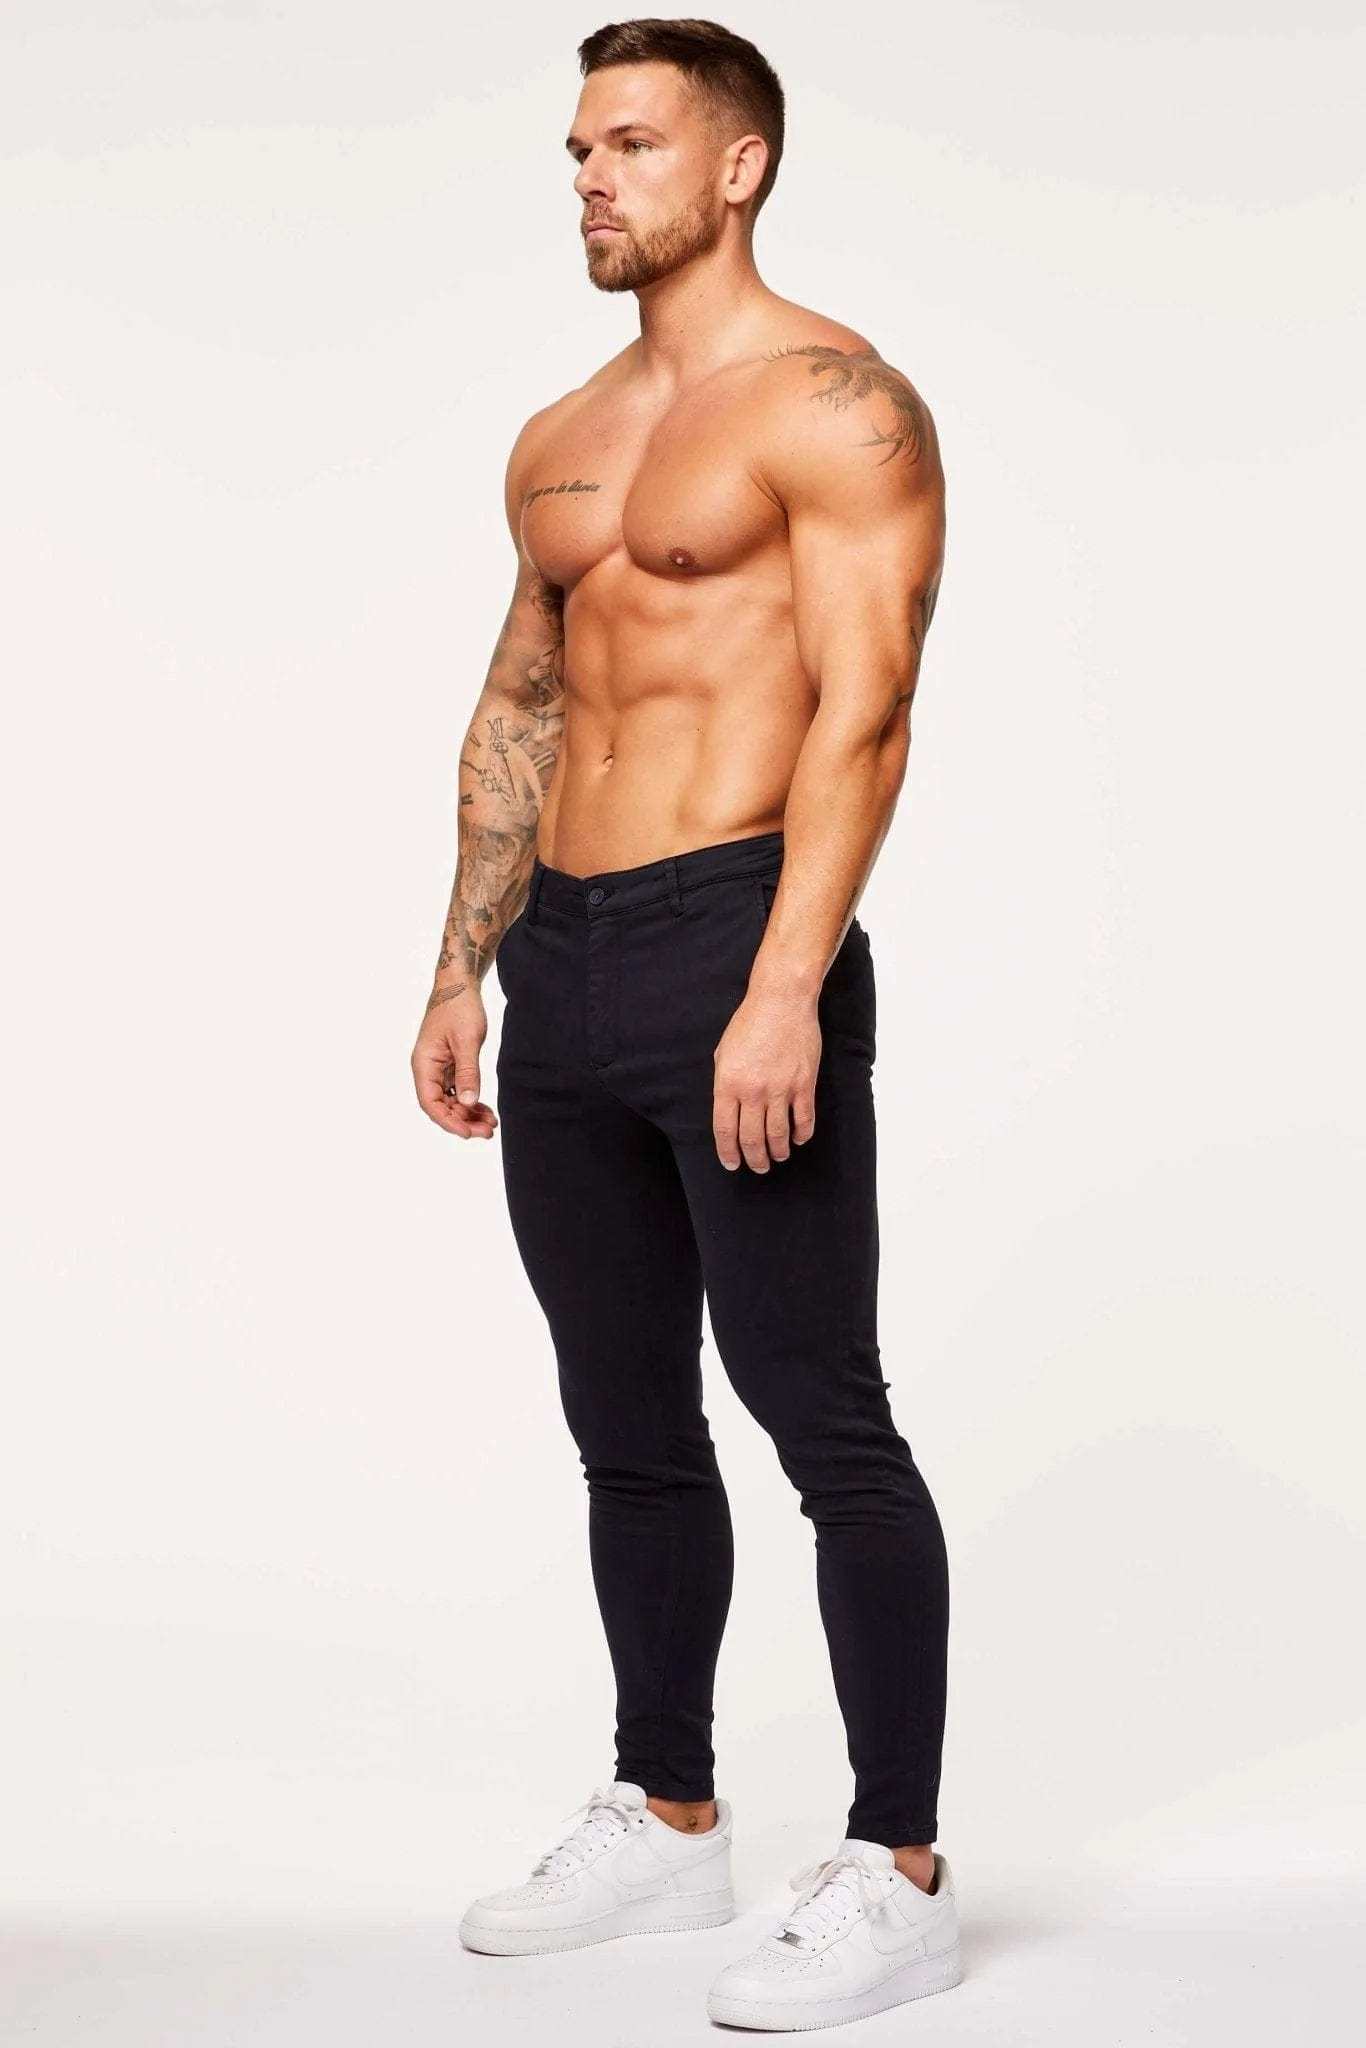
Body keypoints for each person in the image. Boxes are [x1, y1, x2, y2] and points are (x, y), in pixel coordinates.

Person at [409, 17, 961, 2029]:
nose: (589, 178)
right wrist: (458, 962)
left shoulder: (837, 405)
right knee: (623, 1418)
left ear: (736, 167)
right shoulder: (560, 435)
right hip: (559, 959)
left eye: (630, 145)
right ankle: (668, 1811)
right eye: (577, 149)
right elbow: (521, 702)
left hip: (738, 928)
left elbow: (864, 711)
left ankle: (897, 1865)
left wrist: (785, 983)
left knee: (821, 1412)